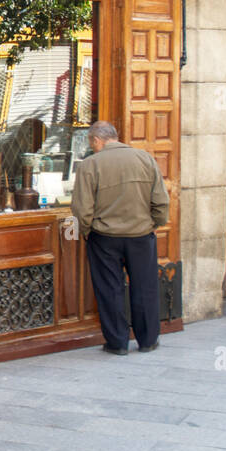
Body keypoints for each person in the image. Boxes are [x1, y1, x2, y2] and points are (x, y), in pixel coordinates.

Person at [71, 120, 170, 355]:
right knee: (145, 286)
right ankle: (147, 341)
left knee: (109, 288)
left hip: (105, 236)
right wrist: (154, 224)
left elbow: (81, 208)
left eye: (91, 143)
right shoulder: (145, 158)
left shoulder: (90, 165)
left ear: (96, 140)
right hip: (141, 235)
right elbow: (161, 201)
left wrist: (87, 231)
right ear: (115, 136)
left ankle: (117, 343)